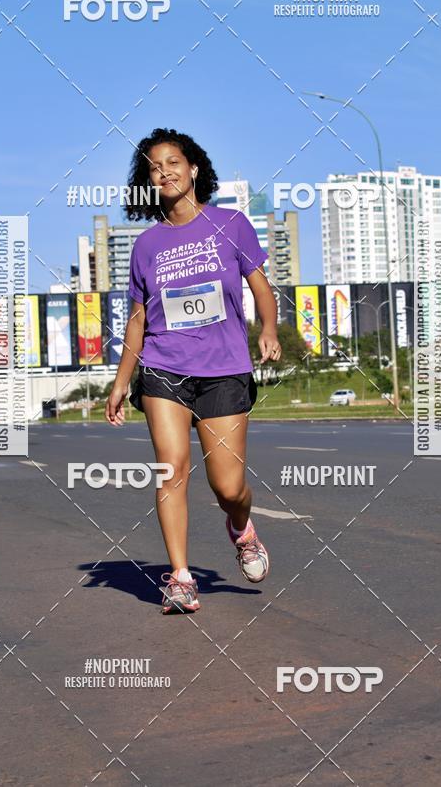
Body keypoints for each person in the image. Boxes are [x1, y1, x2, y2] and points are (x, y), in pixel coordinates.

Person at [105, 128, 282, 614]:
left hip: (224, 368)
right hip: (164, 368)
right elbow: (139, 320)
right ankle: (180, 577)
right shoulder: (145, 247)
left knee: (228, 486)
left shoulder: (231, 224)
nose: (164, 171)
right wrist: (122, 380)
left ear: (195, 168)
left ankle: (242, 529)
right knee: (171, 470)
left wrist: (268, 328)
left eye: (172, 162)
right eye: (154, 168)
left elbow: (261, 287)